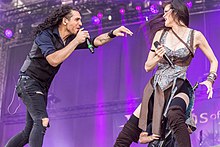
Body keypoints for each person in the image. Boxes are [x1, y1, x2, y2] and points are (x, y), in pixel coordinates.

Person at [5, 5, 133, 147]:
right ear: (65, 21)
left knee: (28, 134)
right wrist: (76, 41)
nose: (80, 23)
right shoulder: (45, 35)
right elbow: (53, 60)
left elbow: (97, 41)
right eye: (77, 19)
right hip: (28, 82)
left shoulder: (70, 39)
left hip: (41, 86)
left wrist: (113, 33)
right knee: (41, 121)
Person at [114, 0, 218, 147]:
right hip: (157, 90)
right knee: (124, 137)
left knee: (174, 114)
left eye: (166, 12)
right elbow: (147, 67)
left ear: (176, 12)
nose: (163, 16)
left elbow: (214, 60)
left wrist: (210, 80)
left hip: (179, 86)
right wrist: (157, 57)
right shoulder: (160, 35)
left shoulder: (195, 36)